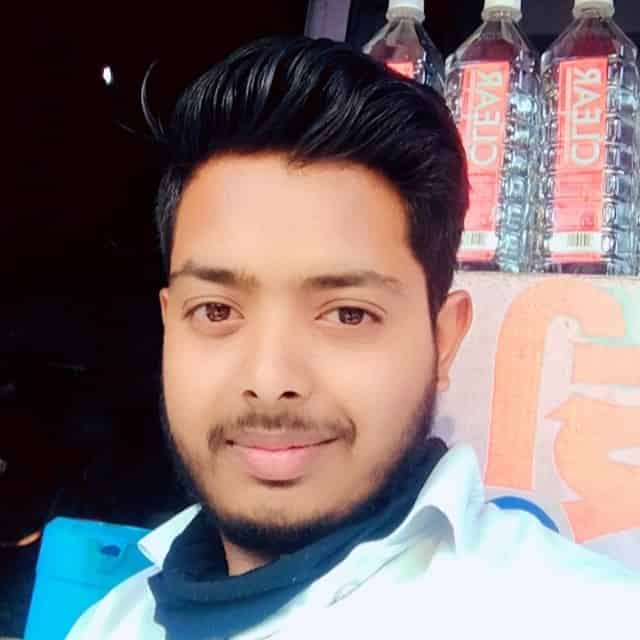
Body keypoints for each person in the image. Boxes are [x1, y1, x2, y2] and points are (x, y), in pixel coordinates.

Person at [66, 36, 640, 639]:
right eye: (216, 310)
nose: (269, 380)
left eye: (347, 315)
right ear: (169, 324)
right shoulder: (109, 623)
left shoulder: (585, 618)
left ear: (444, 340)